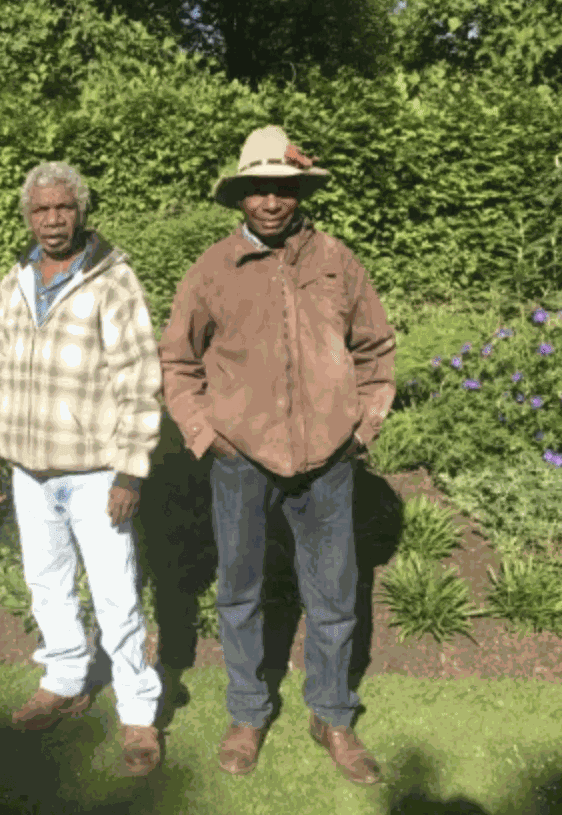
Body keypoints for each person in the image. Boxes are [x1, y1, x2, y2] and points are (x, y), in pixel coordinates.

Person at [159, 126, 396, 785]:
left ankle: (333, 715)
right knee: (240, 593)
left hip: (329, 460)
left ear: (300, 193)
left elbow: (375, 348)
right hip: (240, 459)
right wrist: (205, 433)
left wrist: (362, 428)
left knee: (335, 594)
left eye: (283, 189)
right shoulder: (213, 268)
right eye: (258, 189)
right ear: (240, 196)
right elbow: (178, 361)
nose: (271, 201)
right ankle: (247, 713)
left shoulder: (337, 261)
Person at [0, 161, 164, 777]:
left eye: (63, 207)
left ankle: (137, 712)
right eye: (41, 209)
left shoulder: (113, 280)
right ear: (27, 217)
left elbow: (140, 379)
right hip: (30, 471)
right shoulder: (14, 283)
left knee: (116, 595)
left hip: (94, 472)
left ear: (81, 212)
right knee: (47, 584)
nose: (53, 219)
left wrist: (130, 470)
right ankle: (63, 680)